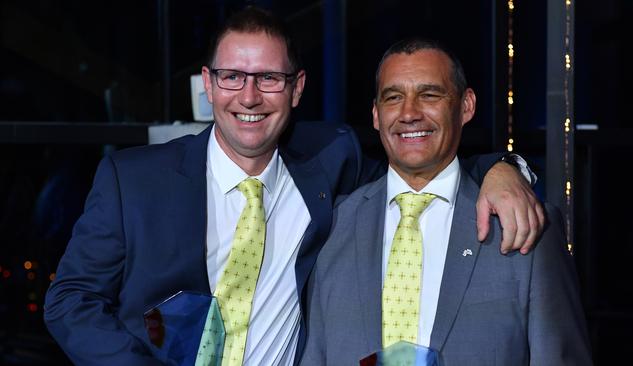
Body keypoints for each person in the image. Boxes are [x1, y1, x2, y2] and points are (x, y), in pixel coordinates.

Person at [44, 7, 544, 366]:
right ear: (208, 83)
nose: (250, 96)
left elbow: (419, 162)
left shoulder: (330, 163)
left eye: (269, 79)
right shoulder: (134, 179)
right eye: (232, 76)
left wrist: (501, 167)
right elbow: (70, 301)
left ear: (297, 87)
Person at [300, 38, 592, 365]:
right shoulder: (335, 227)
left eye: (429, 95)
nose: (409, 113)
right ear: (376, 115)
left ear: (466, 106)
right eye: (393, 97)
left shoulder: (523, 225)